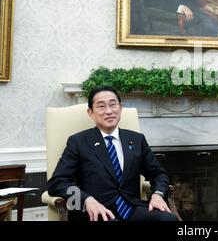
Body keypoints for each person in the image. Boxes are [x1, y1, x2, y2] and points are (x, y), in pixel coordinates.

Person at [47, 86, 177, 221]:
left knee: (168, 219)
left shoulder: (137, 139)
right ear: (90, 112)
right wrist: (86, 200)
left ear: (120, 107)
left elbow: (158, 174)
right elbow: (57, 182)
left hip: (132, 208)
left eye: (113, 104)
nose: (109, 111)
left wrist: (157, 194)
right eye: (101, 106)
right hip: (97, 212)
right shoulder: (78, 142)